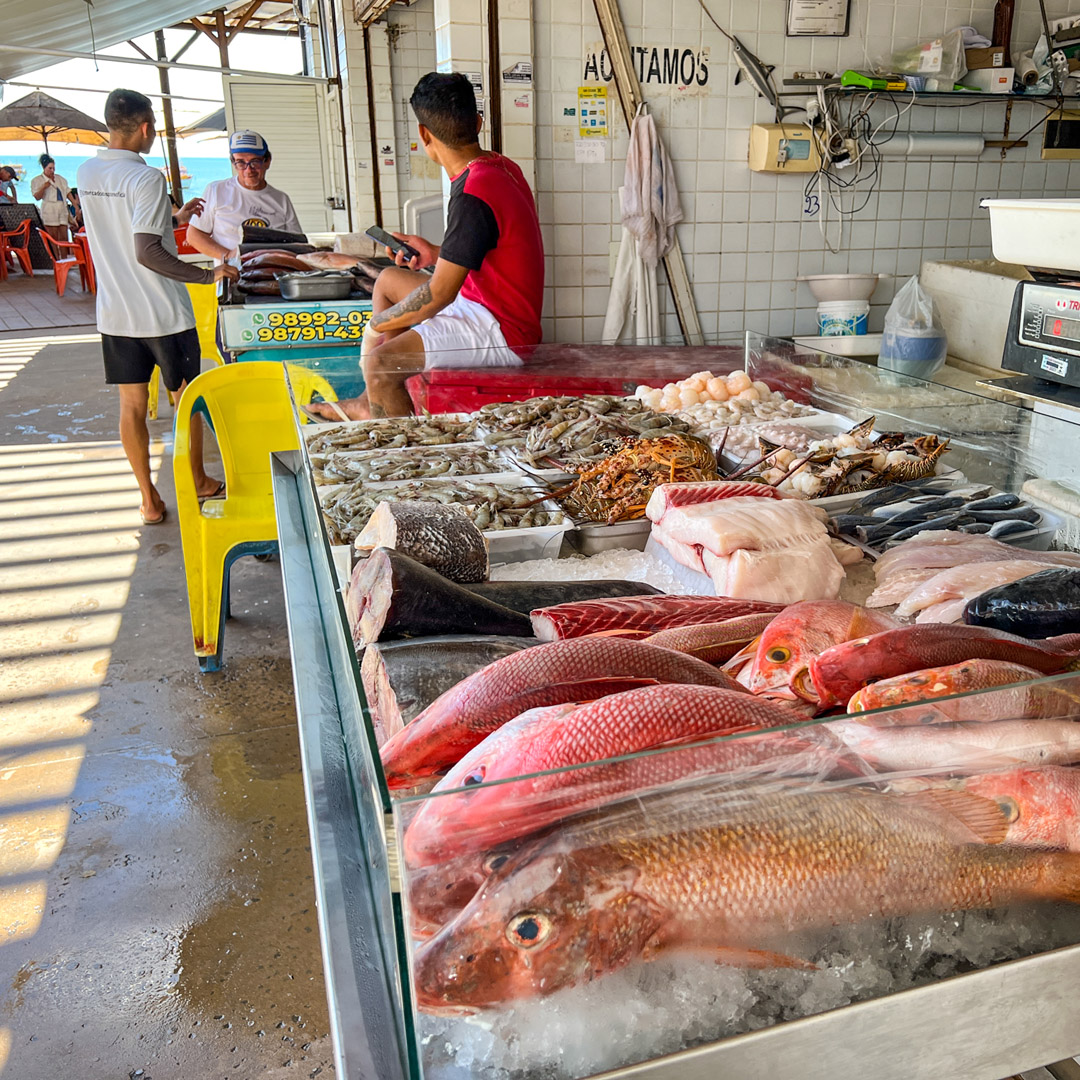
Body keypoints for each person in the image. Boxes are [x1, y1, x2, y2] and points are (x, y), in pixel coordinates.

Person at [306, 71, 544, 420]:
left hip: (501, 328)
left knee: (380, 362)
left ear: (423, 134)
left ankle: (401, 452)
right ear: (477, 122)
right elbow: (484, 245)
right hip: (480, 301)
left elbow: (439, 295)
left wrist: (376, 328)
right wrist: (434, 253)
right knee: (388, 281)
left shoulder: (474, 191)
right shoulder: (501, 167)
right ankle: (368, 401)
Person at [77, 88, 239, 525]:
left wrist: (176, 219)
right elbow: (146, 251)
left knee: (131, 407)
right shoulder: (147, 178)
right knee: (186, 402)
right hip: (163, 314)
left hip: (116, 313)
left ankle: (149, 500)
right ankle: (200, 483)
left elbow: (124, 225)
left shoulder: (87, 172)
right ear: (146, 127)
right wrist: (209, 275)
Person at [186, 130, 302, 262]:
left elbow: (297, 244)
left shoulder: (281, 200)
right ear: (233, 163)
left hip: (273, 278)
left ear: (267, 162)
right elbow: (194, 235)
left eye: (255, 161)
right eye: (241, 162)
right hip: (232, 279)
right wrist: (230, 257)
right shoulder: (216, 191)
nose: (248, 170)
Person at [31, 154, 78, 242]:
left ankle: (64, 255)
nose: (52, 170)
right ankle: (55, 255)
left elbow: (67, 192)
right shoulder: (37, 180)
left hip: (62, 208)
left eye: (53, 168)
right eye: (50, 168)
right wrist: (44, 186)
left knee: (63, 237)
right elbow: (37, 197)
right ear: (44, 168)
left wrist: (75, 206)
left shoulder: (60, 179)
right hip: (49, 209)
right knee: (52, 237)